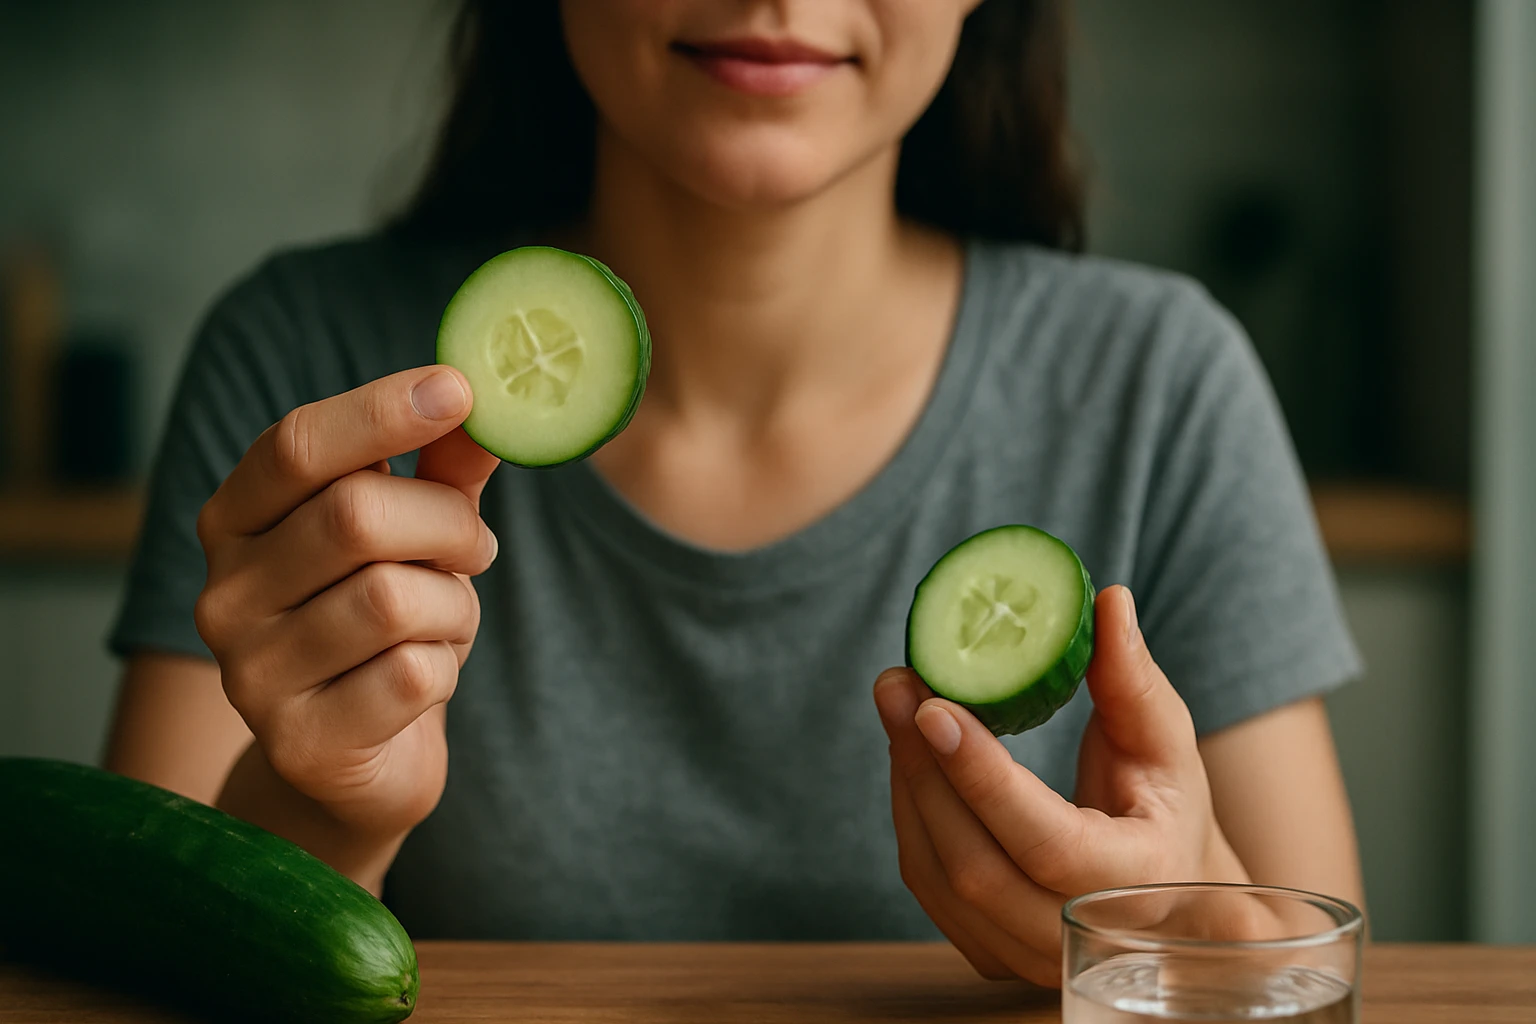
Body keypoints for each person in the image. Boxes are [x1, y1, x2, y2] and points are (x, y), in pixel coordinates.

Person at [103, 0, 1363, 986]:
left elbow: (1313, 977)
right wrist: (322, 809)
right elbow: (141, 965)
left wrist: (1183, 916)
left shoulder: (1164, 381)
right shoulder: (299, 360)